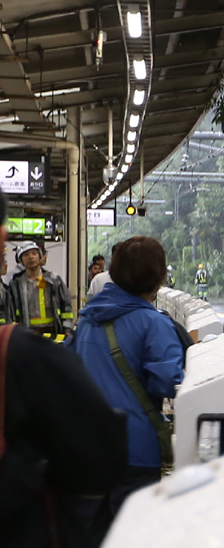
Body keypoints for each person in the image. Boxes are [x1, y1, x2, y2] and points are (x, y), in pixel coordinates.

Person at [0, 191, 126, 548]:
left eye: (33, 255)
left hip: (48, 336)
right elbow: (100, 453)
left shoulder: (52, 283)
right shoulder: (20, 357)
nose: (29, 260)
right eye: (23, 254)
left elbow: (65, 309)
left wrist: (65, 331)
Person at [69, 235, 186, 533]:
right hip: (136, 452)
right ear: (159, 278)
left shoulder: (88, 320)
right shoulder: (154, 324)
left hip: (87, 450)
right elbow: (166, 381)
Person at [8, 242, 73, 338]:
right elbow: (11, 310)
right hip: (27, 333)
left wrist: (67, 329)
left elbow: (66, 307)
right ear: (21, 260)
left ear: (40, 257)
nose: (31, 257)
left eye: (34, 253)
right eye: (26, 255)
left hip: (53, 331)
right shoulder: (16, 284)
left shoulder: (54, 280)